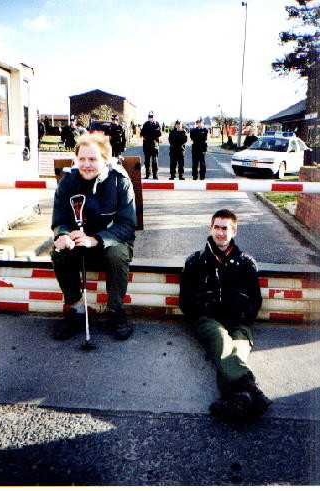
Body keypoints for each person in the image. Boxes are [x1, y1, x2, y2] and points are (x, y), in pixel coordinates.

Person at [179, 209, 272, 423]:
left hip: (239, 320)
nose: (220, 233)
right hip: (209, 320)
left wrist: (243, 315)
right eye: (216, 227)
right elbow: (185, 301)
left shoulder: (246, 263)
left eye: (225, 228)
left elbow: (255, 300)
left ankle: (233, 399)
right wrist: (205, 310)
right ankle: (252, 389)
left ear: (234, 231)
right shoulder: (196, 262)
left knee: (237, 350)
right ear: (210, 228)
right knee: (221, 340)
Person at [51, 132, 137, 341]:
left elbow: (127, 225)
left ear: (105, 160)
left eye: (93, 159)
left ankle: (115, 311)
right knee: (59, 252)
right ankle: (77, 310)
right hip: (79, 241)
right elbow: (60, 219)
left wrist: (96, 239)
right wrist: (62, 235)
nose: (86, 165)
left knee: (117, 254)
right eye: (82, 159)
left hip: (110, 242)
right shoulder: (68, 181)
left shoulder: (119, 182)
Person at [140, 111, 162, 179]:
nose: (150, 118)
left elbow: (159, 133)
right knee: (147, 161)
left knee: (154, 161)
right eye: (149, 117)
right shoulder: (145, 124)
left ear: (154, 117)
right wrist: (149, 135)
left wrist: (151, 135)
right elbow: (142, 134)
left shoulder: (157, 124)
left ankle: (155, 175)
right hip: (147, 144)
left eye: (151, 117)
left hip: (154, 144)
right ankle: (147, 174)